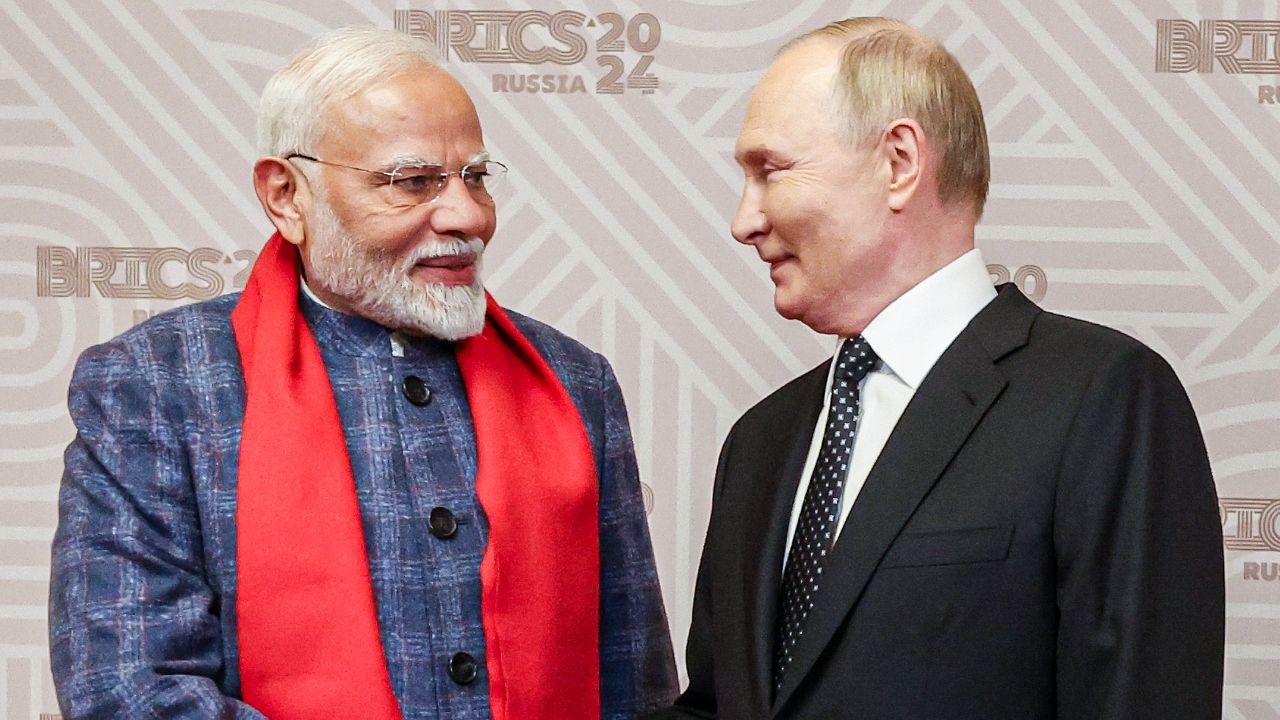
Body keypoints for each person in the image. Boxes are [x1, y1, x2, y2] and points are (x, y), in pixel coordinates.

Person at [50, 27, 677, 720]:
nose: (468, 215)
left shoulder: (575, 383)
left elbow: (636, 686)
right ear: (287, 196)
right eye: (413, 182)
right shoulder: (156, 384)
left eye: (475, 177)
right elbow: (131, 692)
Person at [652, 17, 1224, 720]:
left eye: (771, 171)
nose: (743, 221)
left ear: (899, 162)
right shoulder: (758, 441)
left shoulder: (1102, 400)